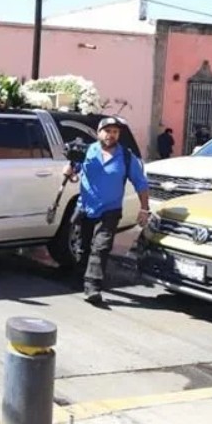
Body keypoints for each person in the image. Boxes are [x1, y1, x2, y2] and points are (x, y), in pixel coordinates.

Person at [64, 116, 150, 305]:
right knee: (83, 246)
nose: (111, 135)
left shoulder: (126, 157)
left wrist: (144, 209)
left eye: (115, 132)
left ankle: (93, 287)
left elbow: (141, 183)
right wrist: (69, 171)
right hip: (86, 207)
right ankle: (80, 276)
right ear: (98, 133)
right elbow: (73, 170)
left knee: (101, 247)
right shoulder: (86, 151)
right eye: (108, 131)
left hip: (111, 209)